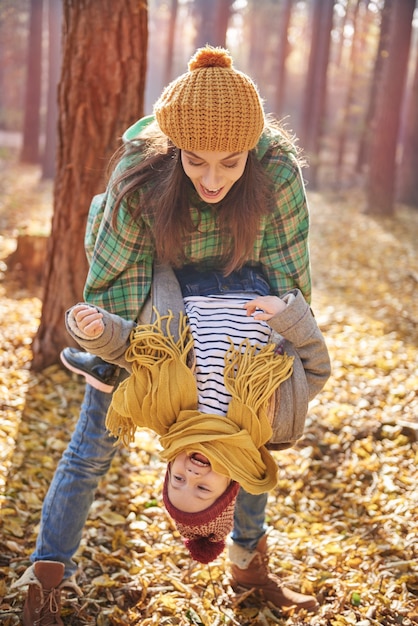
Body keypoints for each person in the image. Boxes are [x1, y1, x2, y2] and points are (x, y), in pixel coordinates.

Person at [14, 45, 324, 624]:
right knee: (91, 447)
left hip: (237, 309)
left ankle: (247, 568)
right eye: (197, 161)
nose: (213, 179)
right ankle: (46, 579)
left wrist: (273, 366)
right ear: (175, 147)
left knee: (252, 444)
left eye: (231, 163)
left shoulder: (277, 171)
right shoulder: (139, 175)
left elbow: (289, 273)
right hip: (150, 320)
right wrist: (131, 360)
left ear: (252, 151)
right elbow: (114, 277)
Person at [63, 272, 330, 566]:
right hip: (257, 282)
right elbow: (316, 368)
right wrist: (286, 315)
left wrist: (95, 333)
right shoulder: (273, 423)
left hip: (187, 283)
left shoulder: (166, 413)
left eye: (177, 479)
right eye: (202, 489)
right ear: (230, 484)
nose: (191, 475)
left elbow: (134, 350)